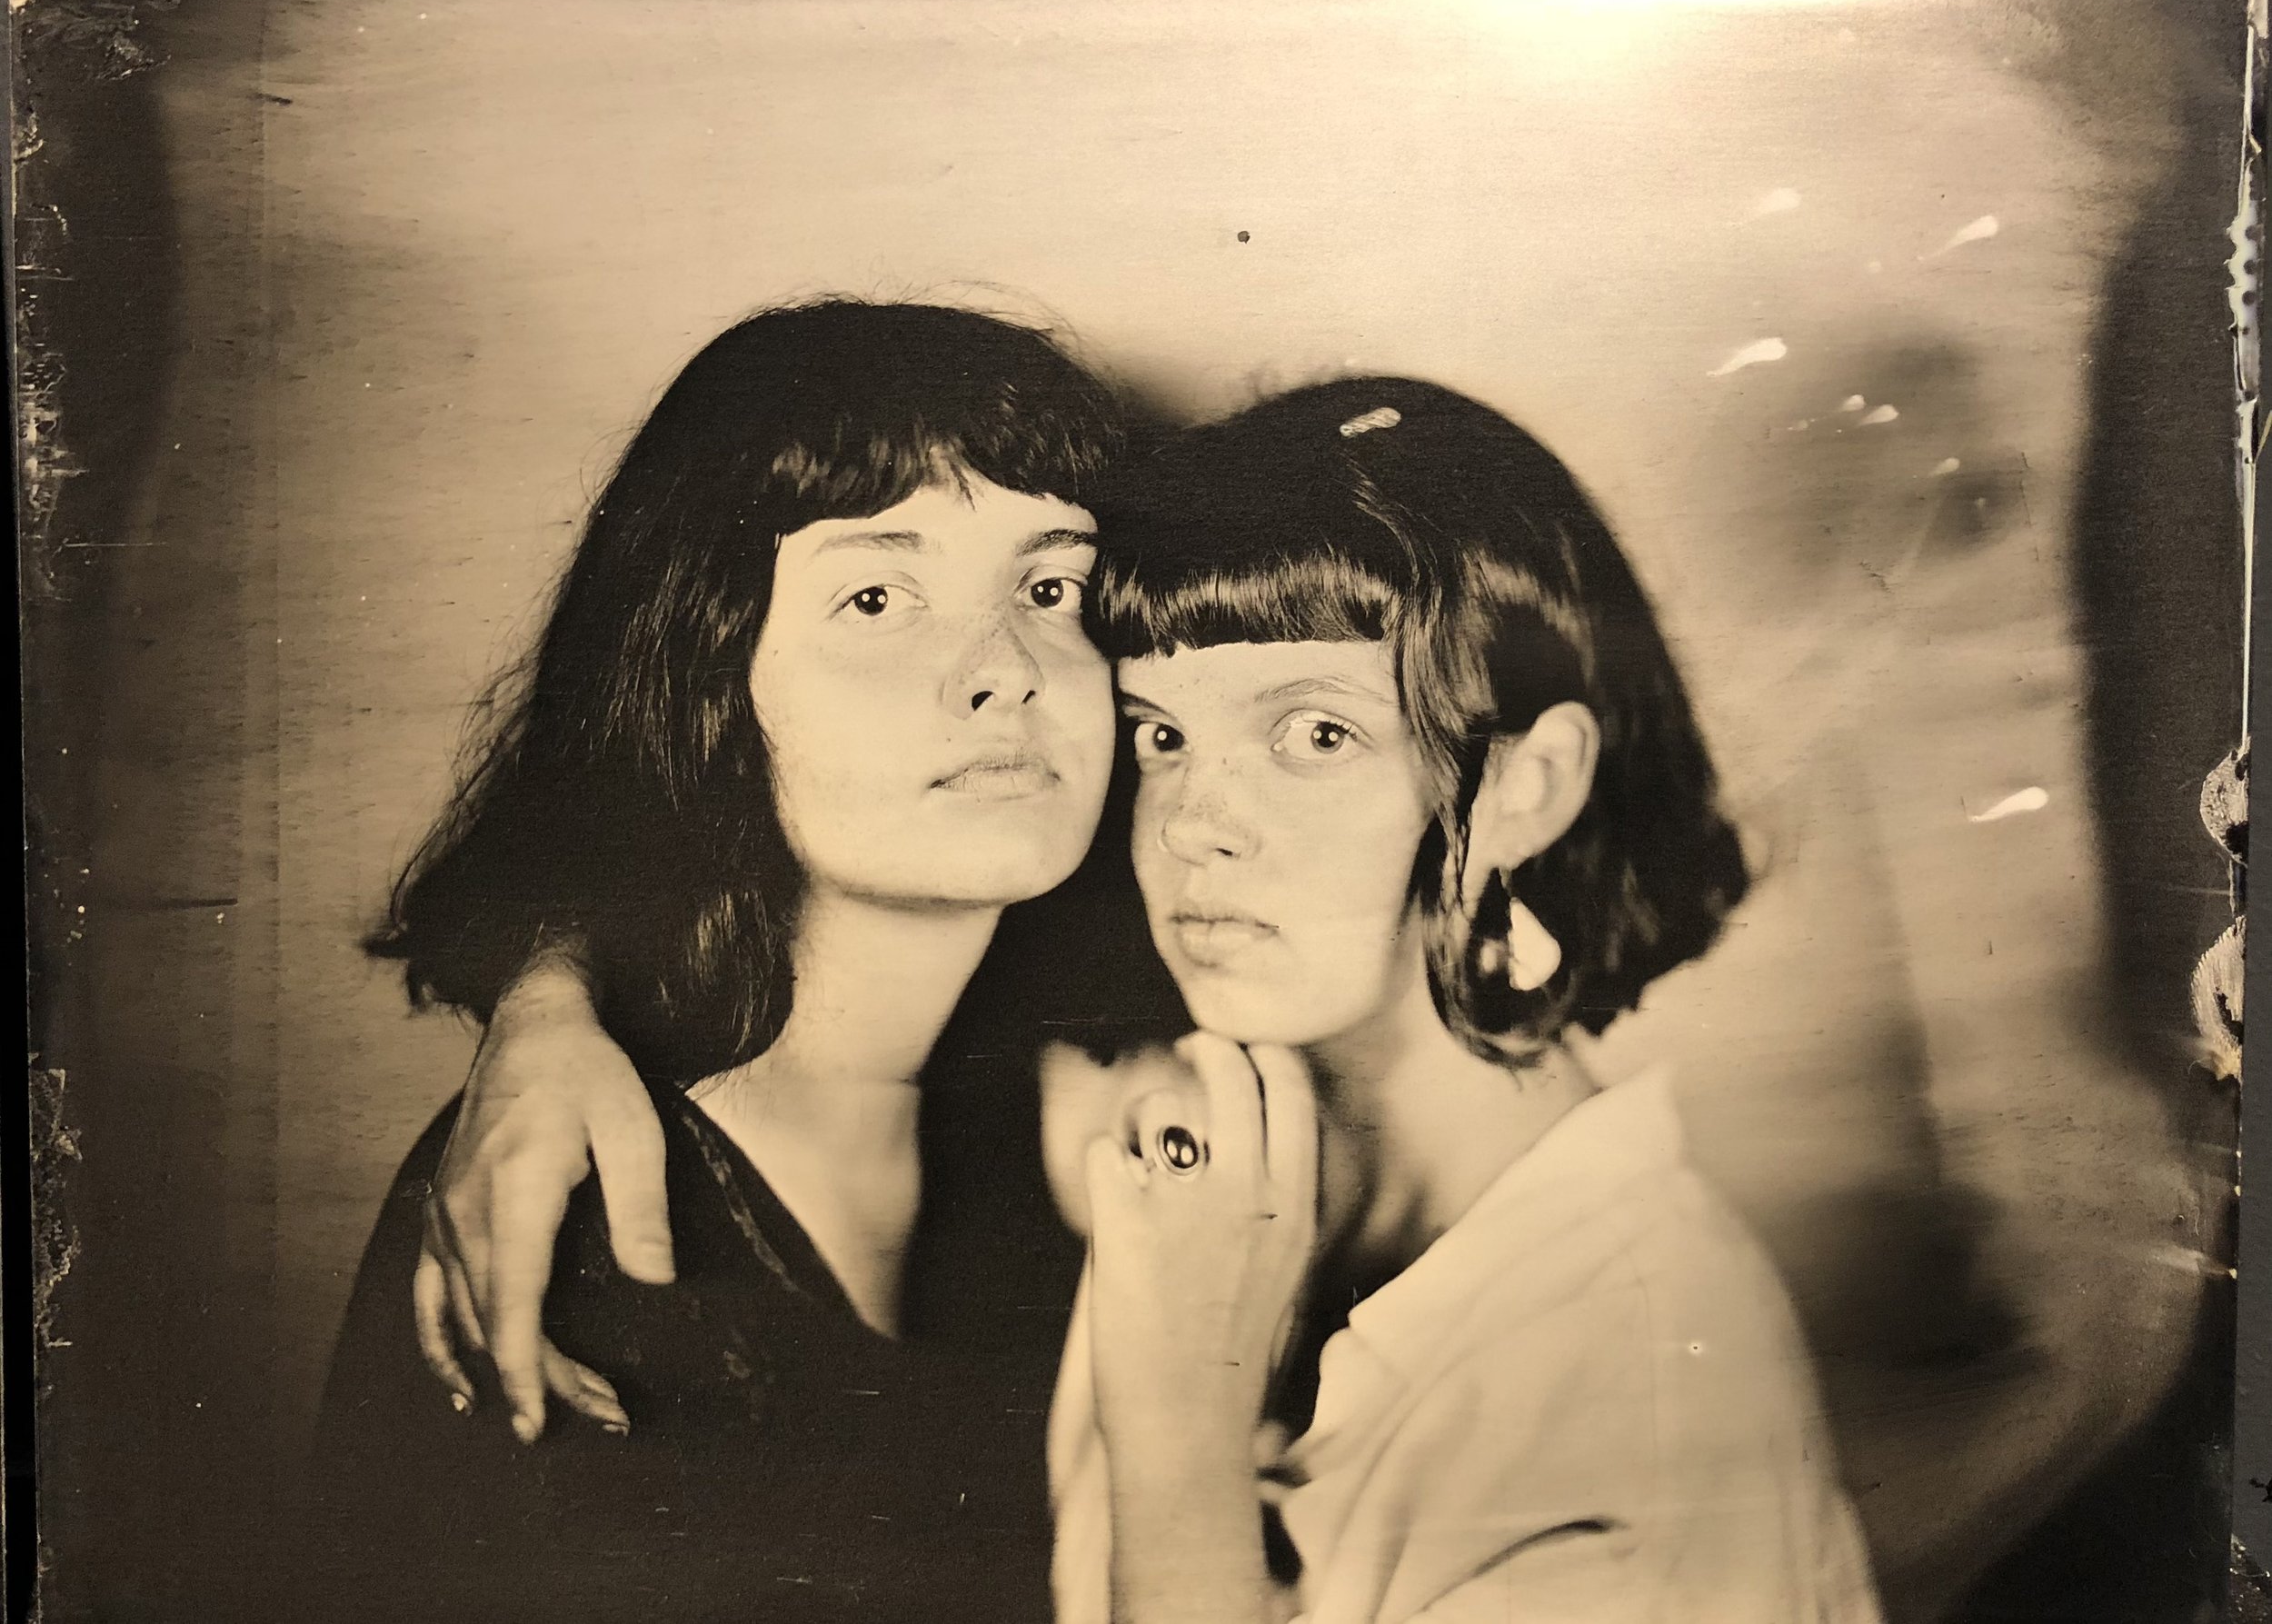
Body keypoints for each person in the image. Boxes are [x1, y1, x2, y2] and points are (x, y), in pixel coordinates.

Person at [304, 297, 1139, 1623]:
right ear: (709, 672)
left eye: (1050, 589)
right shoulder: (580, 1214)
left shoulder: (1061, 1128)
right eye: (878, 596)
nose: (1007, 670)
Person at [1050, 378, 1884, 1622]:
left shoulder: (1634, 1388)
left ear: (1526, 789)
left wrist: (1178, 1433)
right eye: (1161, 735)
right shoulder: (1204, 1166)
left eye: (1313, 735)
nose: (1190, 827)